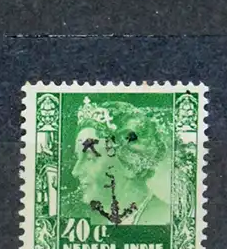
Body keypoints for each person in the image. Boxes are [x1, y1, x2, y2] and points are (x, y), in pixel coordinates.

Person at [65, 99, 176, 233]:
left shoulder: (165, 219)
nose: (75, 171)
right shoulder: (98, 219)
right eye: (77, 158)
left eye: (90, 158)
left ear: (130, 164)